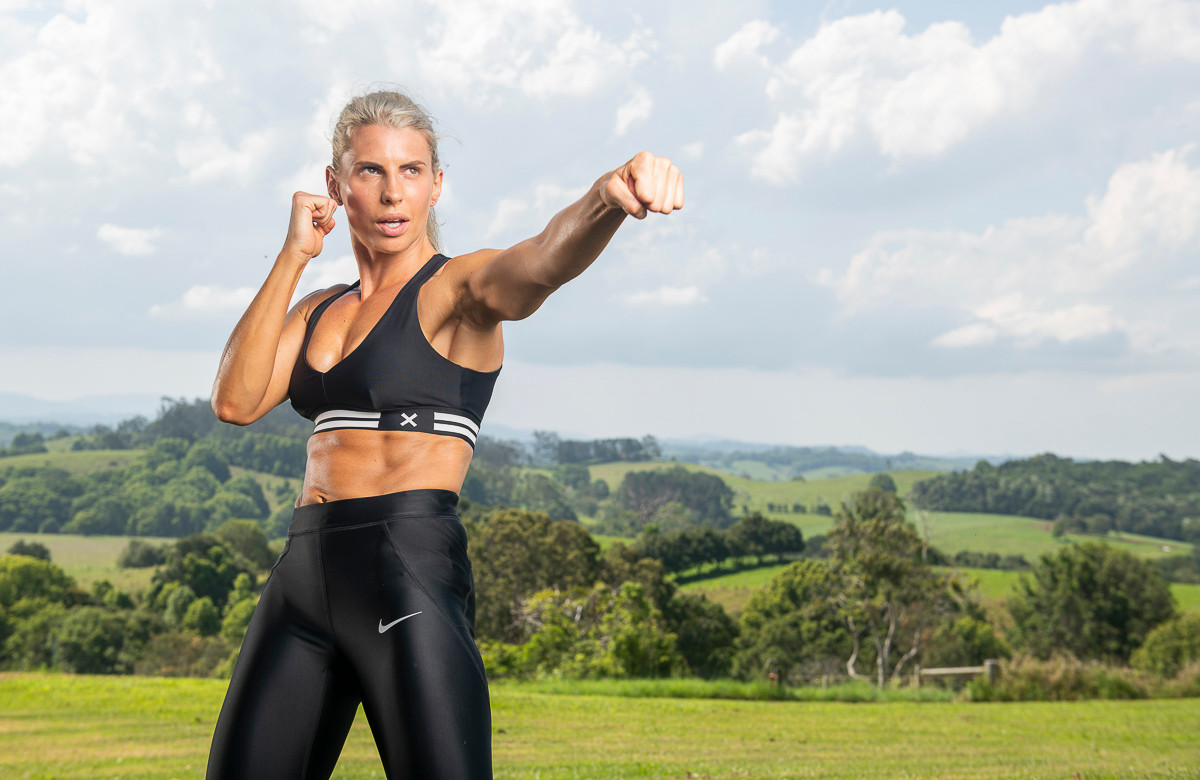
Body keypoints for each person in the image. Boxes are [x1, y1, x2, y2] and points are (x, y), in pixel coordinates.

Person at [204, 89, 683, 779]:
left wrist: (608, 196)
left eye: (411, 171)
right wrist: (293, 257)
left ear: (435, 185)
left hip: (405, 570)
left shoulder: (456, 292)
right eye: (370, 171)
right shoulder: (317, 308)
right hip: (303, 579)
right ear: (337, 186)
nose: (392, 193)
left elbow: (541, 261)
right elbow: (235, 399)